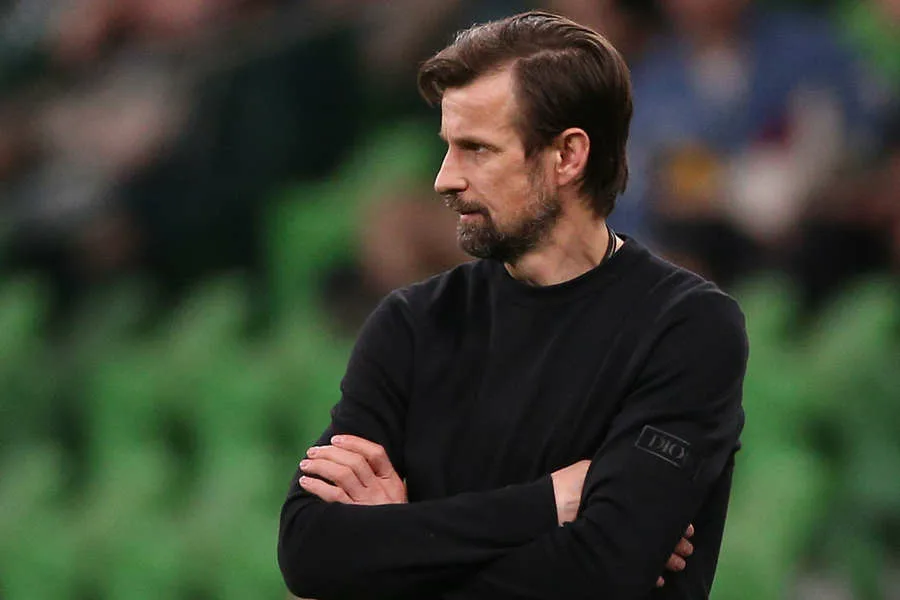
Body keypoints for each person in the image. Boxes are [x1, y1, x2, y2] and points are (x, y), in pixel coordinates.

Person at [278, 10, 748, 600]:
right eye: (448, 147)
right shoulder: (411, 323)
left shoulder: (687, 327)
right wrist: (547, 504)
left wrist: (398, 544)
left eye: (476, 149)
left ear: (567, 156)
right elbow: (310, 550)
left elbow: (606, 571)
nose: (444, 179)